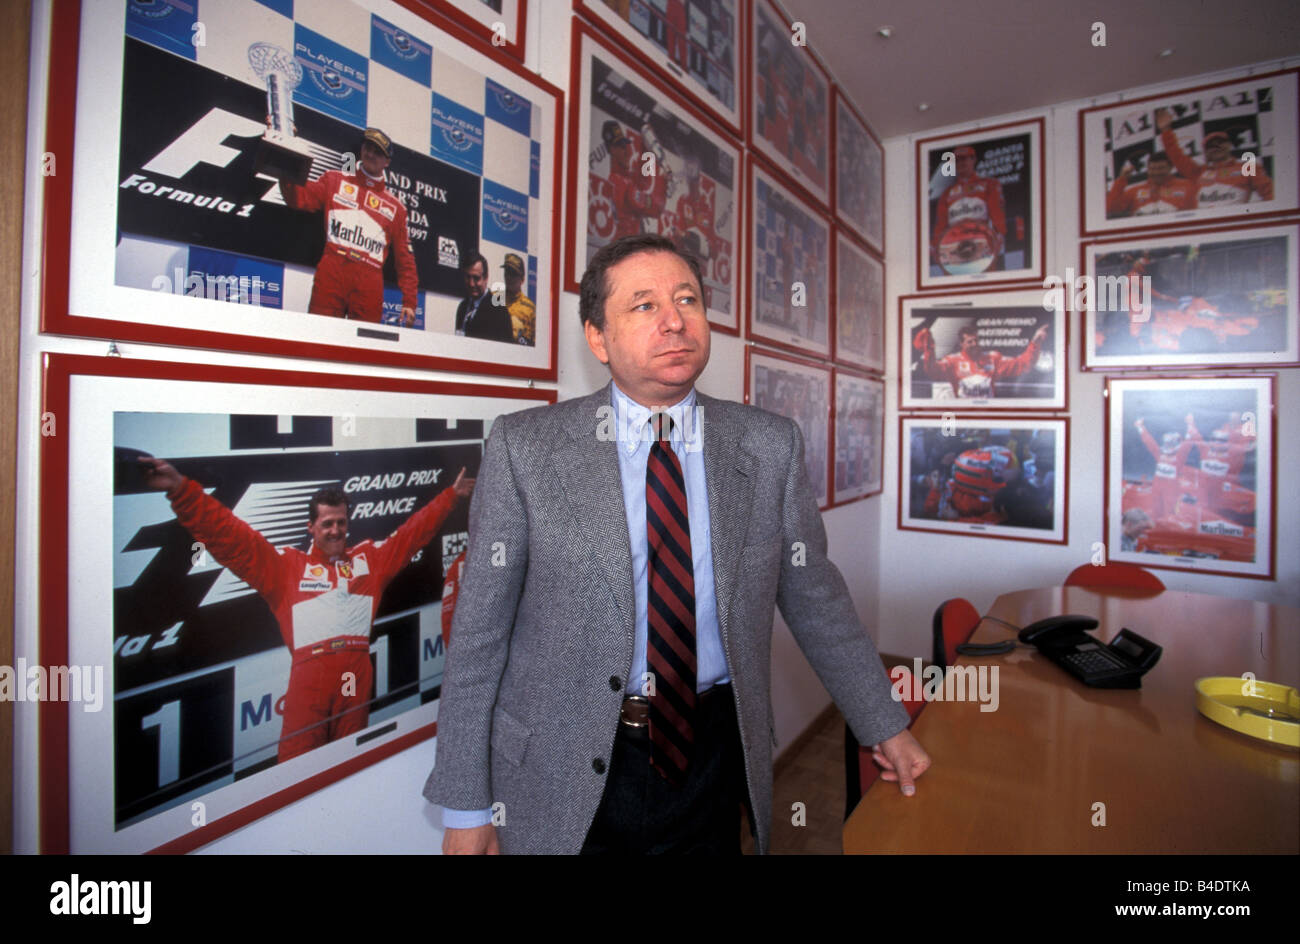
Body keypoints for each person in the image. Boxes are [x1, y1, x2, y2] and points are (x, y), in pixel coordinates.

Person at [424, 234, 928, 854]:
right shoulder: (525, 448)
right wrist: (467, 805)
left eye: (686, 299)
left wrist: (884, 724)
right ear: (598, 338)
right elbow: (478, 638)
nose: (673, 320)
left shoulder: (768, 447)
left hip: (709, 758)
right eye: (642, 305)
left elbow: (816, 598)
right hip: (559, 765)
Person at [138, 456, 475, 762]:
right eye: (327, 523)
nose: (336, 530)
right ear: (310, 527)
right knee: (296, 769)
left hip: (352, 678)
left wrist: (450, 497)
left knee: (351, 765)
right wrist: (181, 490)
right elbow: (229, 537)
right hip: (309, 679)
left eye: (341, 522)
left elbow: (411, 535)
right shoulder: (286, 568)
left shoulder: (368, 561)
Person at [279, 127, 418, 326]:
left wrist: (410, 301)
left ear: (387, 162)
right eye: (368, 147)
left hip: (369, 279)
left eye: (378, 152)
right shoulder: (334, 180)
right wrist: (286, 153)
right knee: (320, 336)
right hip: (333, 269)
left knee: (363, 347)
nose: (370, 154)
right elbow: (299, 198)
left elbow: (406, 261)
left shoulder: (397, 209)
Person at [1155, 107, 1274, 207]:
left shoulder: (1247, 167)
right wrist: (1166, 130)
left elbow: (1269, 193)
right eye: (1211, 146)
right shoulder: (1199, 172)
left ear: (1229, 145)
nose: (1216, 147)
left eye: (1220, 143)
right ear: (1206, 152)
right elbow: (1176, 156)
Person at [914, 322, 1049, 400]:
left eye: (976, 340)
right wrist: (929, 349)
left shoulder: (992, 358)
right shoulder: (952, 362)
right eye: (969, 341)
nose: (974, 344)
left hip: (987, 415)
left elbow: (1022, 365)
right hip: (963, 415)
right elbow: (932, 370)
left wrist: (1035, 343)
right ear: (961, 343)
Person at [933, 145, 1005, 269]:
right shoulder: (947, 194)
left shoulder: (989, 185)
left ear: (973, 159)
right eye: (957, 161)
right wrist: (935, 246)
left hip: (982, 242)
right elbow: (941, 225)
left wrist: (999, 235)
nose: (961, 163)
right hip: (955, 246)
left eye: (964, 159)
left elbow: (997, 215)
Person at [1105, 151, 1197, 217]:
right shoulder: (1135, 191)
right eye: (1152, 169)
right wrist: (1121, 180)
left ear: (1171, 168)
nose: (1156, 172)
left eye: (1161, 168)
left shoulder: (1187, 186)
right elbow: (1111, 209)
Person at [454, 252, 514, 343]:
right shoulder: (462, 307)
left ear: (486, 278)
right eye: (468, 277)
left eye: (476, 278)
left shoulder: (499, 310)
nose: (471, 284)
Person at [501, 253, 535, 346]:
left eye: (513, 274)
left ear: (522, 279)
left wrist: (518, 337)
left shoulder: (530, 308)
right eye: (507, 272)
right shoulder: (495, 298)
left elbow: (533, 344)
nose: (509, 277)